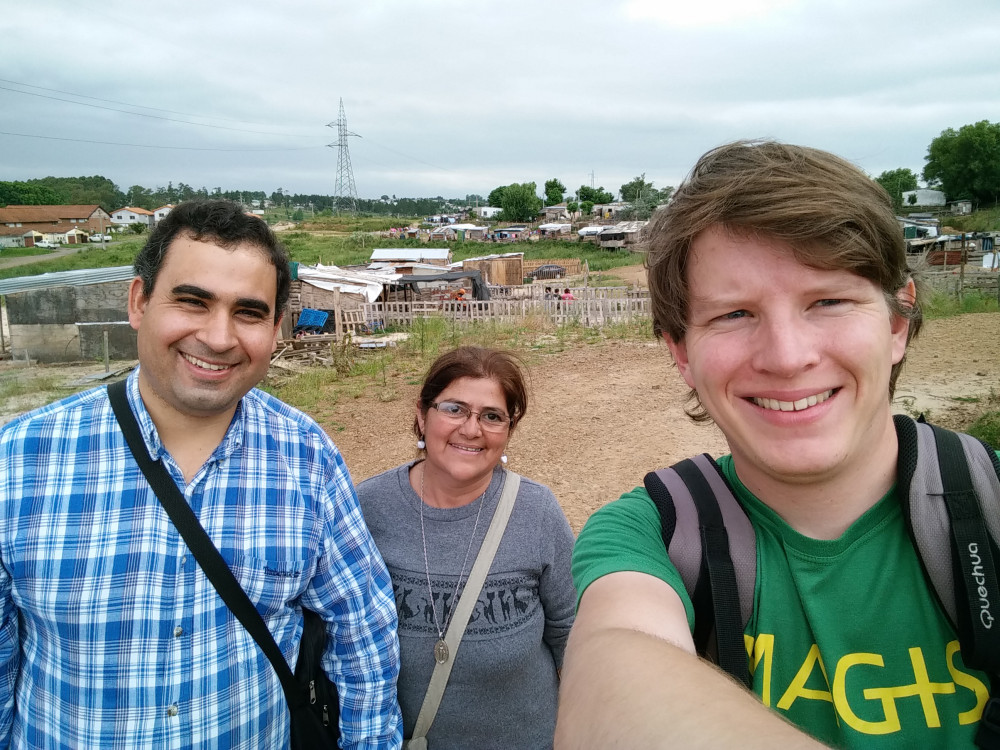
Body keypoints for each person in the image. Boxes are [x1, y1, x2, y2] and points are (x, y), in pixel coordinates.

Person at [556, 141, 997, 748]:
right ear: (681, 352)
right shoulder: (649, 537)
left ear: (896, 322)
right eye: (734, 314)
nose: (788, 358)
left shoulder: (991, 505)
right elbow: (613, 681)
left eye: (829, 301)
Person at [0, 200, 402, 749]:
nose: (218, 337)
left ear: (277, 327)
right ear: (139, 302)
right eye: (193, 302)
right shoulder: (21, 461)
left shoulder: (307, 457)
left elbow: (364, 638)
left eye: (249, 312)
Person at [357, 346, 576, 749]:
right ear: (422, 415)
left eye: (492, 416)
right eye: (454, 409)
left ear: (509, 429)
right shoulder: (369, 507)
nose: (472, 429)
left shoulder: (536, 512)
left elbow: (573, 637)